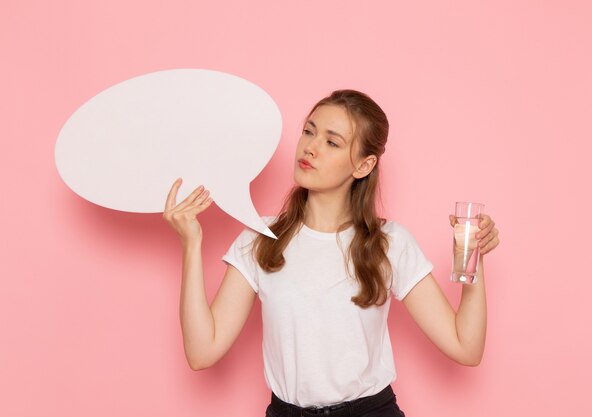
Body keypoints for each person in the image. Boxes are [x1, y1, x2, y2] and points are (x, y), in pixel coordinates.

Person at [163, 90, 500, 417]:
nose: (310, 147)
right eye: (309, 131)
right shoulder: (261, 237)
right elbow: (201, 352)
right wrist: (191, 244)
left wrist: (474, 257)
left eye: (331, 141)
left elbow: (465, 347)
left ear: (364, 165)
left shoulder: (389, 243)